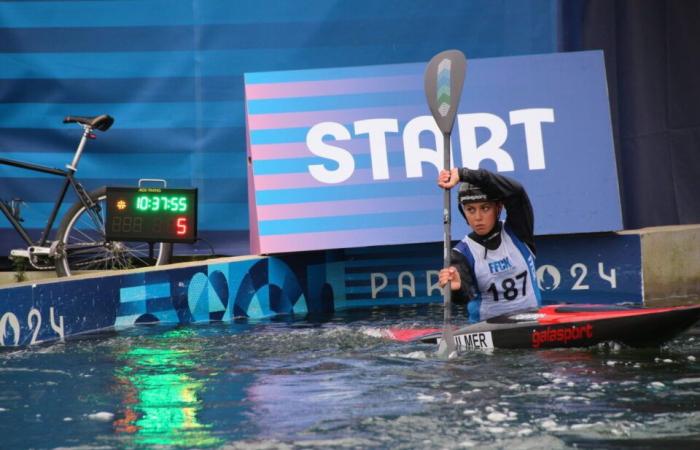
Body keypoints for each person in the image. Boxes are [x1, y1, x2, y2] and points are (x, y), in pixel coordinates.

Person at [437, 167, 541, 322]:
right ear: (463, 212)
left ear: (498, 208)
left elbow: (516, 191)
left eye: (485, 208)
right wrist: (457, 288)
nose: (478, 217)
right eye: (471, 210)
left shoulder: (519, 230)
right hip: (489, 332)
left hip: (533, 320)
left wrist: (464, 174)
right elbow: (464, 295)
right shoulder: (461, 253)